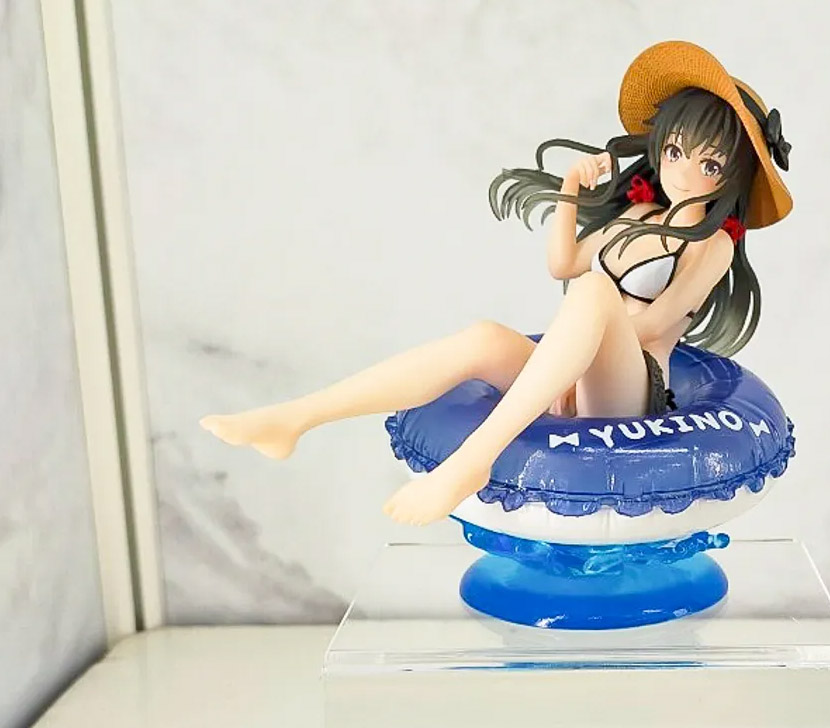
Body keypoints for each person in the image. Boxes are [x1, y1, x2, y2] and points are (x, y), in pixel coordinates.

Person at [200, 41, 793, 525]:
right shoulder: (638, 213)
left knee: (594, 294)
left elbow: (655, 324)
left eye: (710, 164)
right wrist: (570, 190)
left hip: (635, 385)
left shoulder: (713, 245)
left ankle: (471, 462)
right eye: (677, 151)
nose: (684, 172)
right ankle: (295, 418)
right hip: (584, 363)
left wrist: (574, 361)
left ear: (730, 176)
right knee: (485, 336)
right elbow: (563, 264)